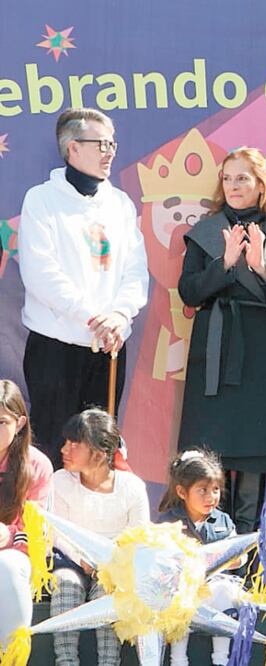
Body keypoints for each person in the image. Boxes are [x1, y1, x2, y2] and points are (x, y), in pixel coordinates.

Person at [177, 146, 266, 534]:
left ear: (261, 184)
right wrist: (225, 265)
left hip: (261, 358)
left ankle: (247, 561)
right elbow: (189, 292)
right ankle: (210, 551)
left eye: (243, 178)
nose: (234, 186)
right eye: (228, 178)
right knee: (210, 458)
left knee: (253, 461)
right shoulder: (206, 231)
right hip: (215, 355)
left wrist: (262, 269)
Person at [18, 107, 149, 466]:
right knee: (55, 450)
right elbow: (41, 273)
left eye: (112, 143)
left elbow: (136, 270)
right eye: (101, 143)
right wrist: (93, 317)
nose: (109, 151)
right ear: (72, 148)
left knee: (99, 452)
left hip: (108, 345)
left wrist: (120, 315)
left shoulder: (119, 204)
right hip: (56, 347)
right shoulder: (42, 200)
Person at [50, 408, 149, 666]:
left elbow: (139, 536)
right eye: (66, 442)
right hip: (71, 561)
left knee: (107, 595)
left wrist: (110, 563)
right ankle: (66, 662)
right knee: (66, 586)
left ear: (99, 453)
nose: (64, 449)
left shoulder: (132, 487)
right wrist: (81, 558)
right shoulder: (60, 480)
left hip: (115, 567)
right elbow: (56, 533)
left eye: (74, 444)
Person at [158, 449, 246, 666]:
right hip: (182, 587)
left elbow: (239, 554)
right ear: (181, 492)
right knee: (179, 600)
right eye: (202, 490)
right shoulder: (169, 520)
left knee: (225, 593)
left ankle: (221, 659)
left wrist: (236, 560)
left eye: (215, 490)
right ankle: (178, 659)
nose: (211, 497)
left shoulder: (223, 521)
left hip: (214, 587)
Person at [0, 380, 53, 651]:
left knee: (6, 566)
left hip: (16, 553)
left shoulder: (37, 465)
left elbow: (37, 532)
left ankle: (10, 655)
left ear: (19, 423)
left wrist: (8, 534)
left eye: (1, 422)